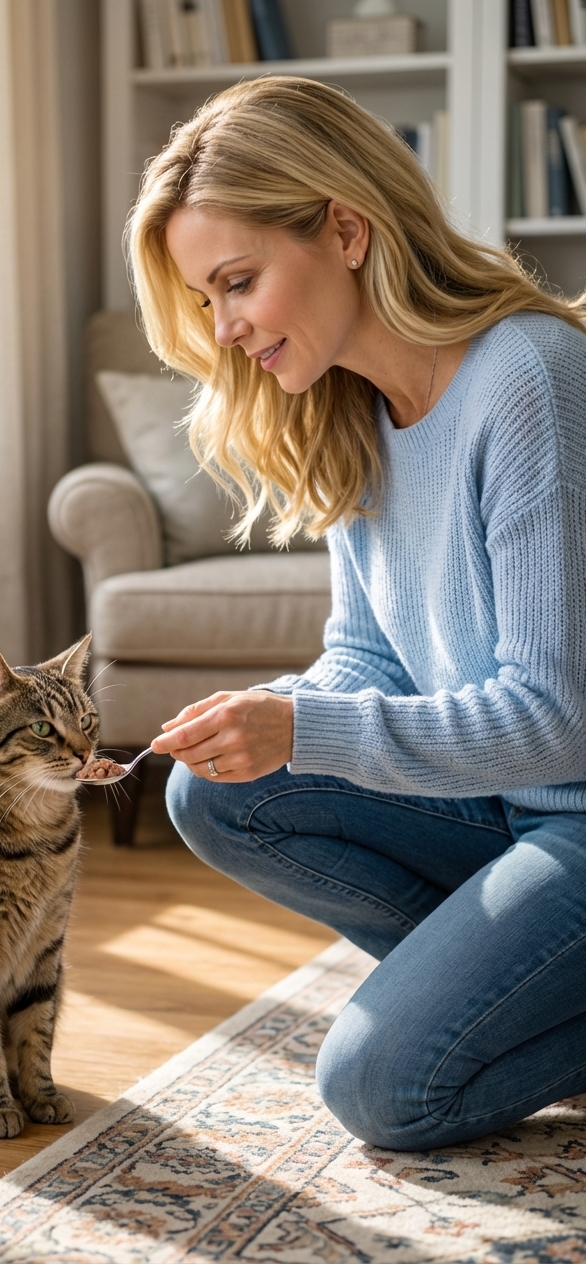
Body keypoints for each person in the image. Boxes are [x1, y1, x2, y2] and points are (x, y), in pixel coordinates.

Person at [126, 76, 586, 1152]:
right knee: (218, 792)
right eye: (206, 301)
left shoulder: (530, 377)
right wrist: (269, 714)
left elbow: (557, 720)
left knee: (381, 1086)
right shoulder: (352, 410)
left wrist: (303, 727)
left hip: (575, 806)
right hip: (504, 809)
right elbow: (366, 654)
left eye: (238, 282)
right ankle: (515, 991)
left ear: (343, 227)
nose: (227, 327)